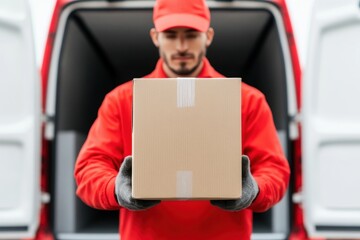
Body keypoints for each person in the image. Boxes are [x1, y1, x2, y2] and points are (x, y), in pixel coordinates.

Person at [74, 0, 290, 239]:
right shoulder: (122, 100)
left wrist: (255, 189)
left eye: (191, 34)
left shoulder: (248, 100)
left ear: (208, 36)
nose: (181, 46)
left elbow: (275, 171)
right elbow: (88, 170)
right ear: (155, 37)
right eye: (170, 35)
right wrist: (114, 188)